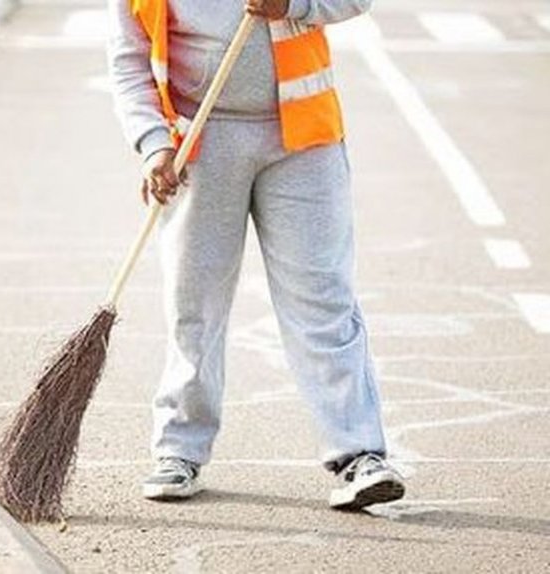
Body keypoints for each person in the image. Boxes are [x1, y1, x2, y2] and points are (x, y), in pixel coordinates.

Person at [107, 0, 405, 511]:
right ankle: (178, 452)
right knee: (193, 306)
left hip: (302, 142)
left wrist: (294, 5)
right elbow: (129, 60)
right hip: (199, 145)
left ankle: (360, 454)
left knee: (322, 301)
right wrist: (153, 144)